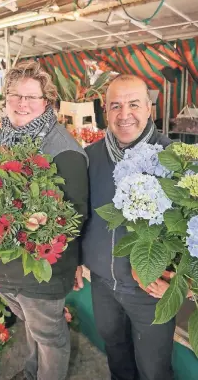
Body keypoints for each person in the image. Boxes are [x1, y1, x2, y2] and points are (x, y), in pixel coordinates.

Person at [0, 60, 88, 380]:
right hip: (3, 269)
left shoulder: (64, 151)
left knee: (50, 336)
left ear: (46, 102)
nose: (22, 103)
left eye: (31, 97)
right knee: (31, 326)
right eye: (15, 95)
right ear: (5, 99)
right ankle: (32, 372)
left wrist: (23, 224)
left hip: (38, 275)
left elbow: (74, 216)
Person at [78, 74, 176, 380]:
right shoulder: (90, 157)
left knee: (154, 368)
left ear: (149, 108)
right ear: (105, 112)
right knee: (116, 352)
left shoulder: (174, 159)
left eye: (134, 104)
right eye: (115, 106)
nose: (125, 114)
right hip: (103, 285)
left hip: (149, 290)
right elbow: (78, 215)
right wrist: (75, 262)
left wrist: (181, 281)